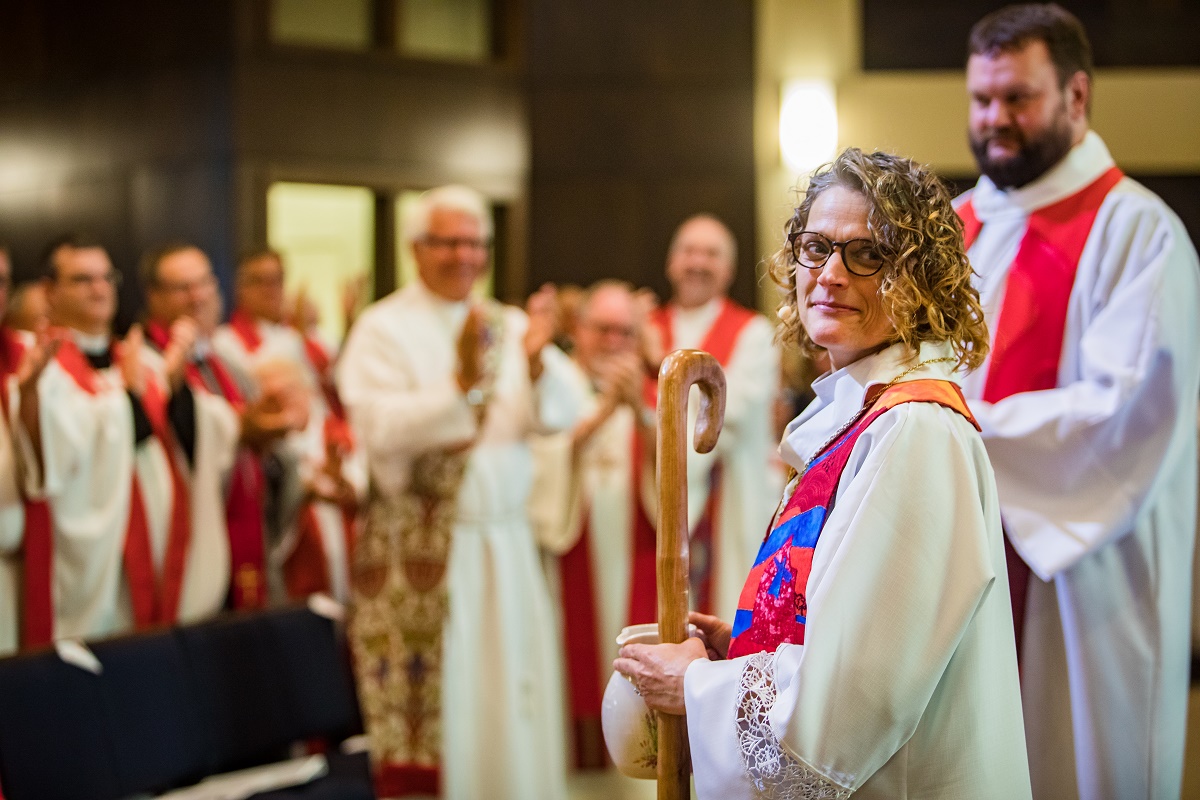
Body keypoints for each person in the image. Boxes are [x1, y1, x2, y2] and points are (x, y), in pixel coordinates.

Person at [616, 149, 1031, 799]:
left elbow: (843, 717)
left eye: (866, 254)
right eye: (816, 248)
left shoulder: (917, 432)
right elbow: (848, 625)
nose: (830, 274)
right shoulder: (861, 417)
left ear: (920, 277)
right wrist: (749, 645)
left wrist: (696, 686)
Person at [956, 6, 1200, 797]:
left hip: (1079, 584)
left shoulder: (1139, 232)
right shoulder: (949, 231)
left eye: (1017, 99)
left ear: (1077, 97)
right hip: (958, 568)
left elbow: (1124, 414)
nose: (995, 120)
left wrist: (950, 430)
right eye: (982, 100)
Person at [336, 185, 575, 799]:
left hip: (508, 545)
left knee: (512, 697)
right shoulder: (381, 328)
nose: (464, 255)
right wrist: (461, 386)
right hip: (433, 553)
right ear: (416, 249)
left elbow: (566, 411)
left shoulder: (510, 324)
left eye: (475, 242)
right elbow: (379, 427)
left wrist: (541, 365)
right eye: (448, 241)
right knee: (456, 699)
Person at [12, 236, 190, 641]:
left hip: (151, 551)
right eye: (82, 279)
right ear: (49, 292)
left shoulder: (141, 359)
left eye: (106, 277)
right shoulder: (44, 369)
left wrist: (170, 387)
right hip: (93, 566)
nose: (100, 288)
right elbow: (48, 465)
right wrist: (127, 400)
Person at [529, 280, 657, 769]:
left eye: (625, 331)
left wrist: (641, 416)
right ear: (578, 330)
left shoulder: (652, 391)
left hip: (634, 554)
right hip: (568, 557)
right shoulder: (552, 385)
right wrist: (604, 413)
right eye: (602, 329)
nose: (613, 341)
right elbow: (536, 462)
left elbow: (677, 481)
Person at [140, 243, 305, 614]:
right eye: (182, 288)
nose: (197, 297)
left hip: (245, 539)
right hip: (188, 544)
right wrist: (241, 428)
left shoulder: (229, 366)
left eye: (205, 284)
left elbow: (266, 454)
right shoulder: (146, 367)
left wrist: (272, 439)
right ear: (154, 296)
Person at [212, 249, 364, 605]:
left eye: (276, 280)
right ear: (240, 288)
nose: (270, 289)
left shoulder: (299, 341)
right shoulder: (226, 344)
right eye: (259, 281)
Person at [647, 215, 779, 620]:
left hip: (732, 498)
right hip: (651, 506)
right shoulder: (647, 327)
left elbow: (727, 413)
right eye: (689, 252)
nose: (698, 263)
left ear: (729, 270)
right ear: (671, 263)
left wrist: (653, 366)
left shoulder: (754, 333)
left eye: (711, 254)